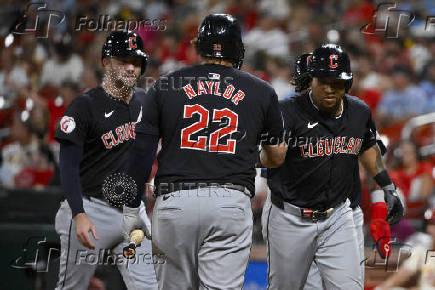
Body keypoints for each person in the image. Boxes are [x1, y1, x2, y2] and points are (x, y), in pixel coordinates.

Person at [121, 14, 287, 289]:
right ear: (237, 47)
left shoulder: (165, 84)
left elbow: (141, 151)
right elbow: (278, 156)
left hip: (175, 202)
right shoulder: (261, 90)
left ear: (201, 45)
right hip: (229, 202)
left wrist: (130, 208)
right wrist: (251, 156)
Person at [263, 44, 404, 289]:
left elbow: (368, 148)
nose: (330, 88)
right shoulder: (287, 111)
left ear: (348, 83)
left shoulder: (359, 111)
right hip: (290, 217)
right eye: (323, 81)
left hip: (338, 215)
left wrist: (387, 186)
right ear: (312, 80)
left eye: (337, 82)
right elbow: (271, 159)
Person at [54, 31, 157, 290]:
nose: (130, 67)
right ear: (106, 63)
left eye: (136, 61)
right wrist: (78, 213)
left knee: (148, 287)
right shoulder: (84, 106)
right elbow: (67, 165)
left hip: (133, 213)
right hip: (92, 209)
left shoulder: (146, 102)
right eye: (122, 61)